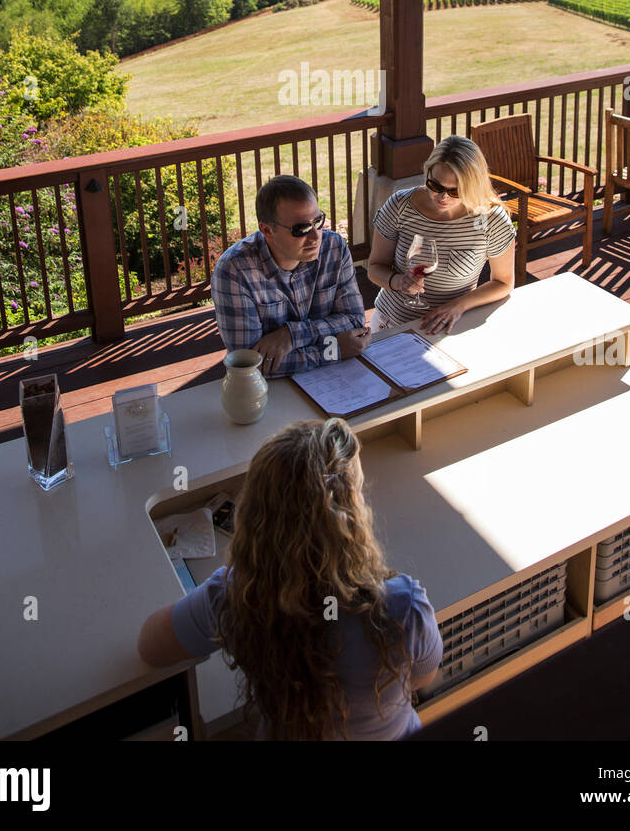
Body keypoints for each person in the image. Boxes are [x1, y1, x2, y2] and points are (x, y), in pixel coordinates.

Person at [136, 417, 443, 740]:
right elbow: (422, 677)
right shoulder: (402, 605)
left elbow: (150, 647)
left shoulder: (238, 592)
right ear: (351, 517)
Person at [211, 174, 369, 376]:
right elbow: (249, 364)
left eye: (318, 221)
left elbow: (354, 322)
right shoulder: (234, 271)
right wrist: (334, 350)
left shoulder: (334, 247)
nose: (315, 236)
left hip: (338, 380)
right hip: (272, 393)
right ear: (267, 230)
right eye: (301, 228)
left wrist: (291, 336)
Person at [367, 133, 516, 333]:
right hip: (392, 324)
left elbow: (503, 283)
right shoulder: (400, 205)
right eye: (435, 185)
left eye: (455, 191)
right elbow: (375, 267)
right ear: (427, 173)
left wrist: (458, 306)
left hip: (450, 328)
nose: (442, 196)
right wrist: (397, 281)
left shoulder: (491, 219)